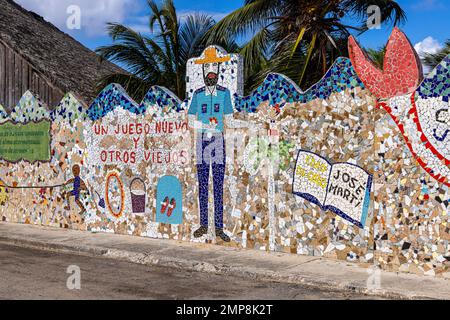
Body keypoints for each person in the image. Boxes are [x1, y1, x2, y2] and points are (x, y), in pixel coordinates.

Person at [188, 47, 247, 242]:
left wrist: (248, 123)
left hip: (218, 140)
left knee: (218, 184)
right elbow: (189, 120)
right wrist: (204, 124)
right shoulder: (197, 94)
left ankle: (219, 227)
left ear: (219, 71)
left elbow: (229, 120)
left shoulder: (224, 93)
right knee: (203, 183)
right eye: (207, 68)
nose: (210, 71)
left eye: (214, 67)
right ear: (203, 72)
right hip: (202, 141)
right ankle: (204, 224)